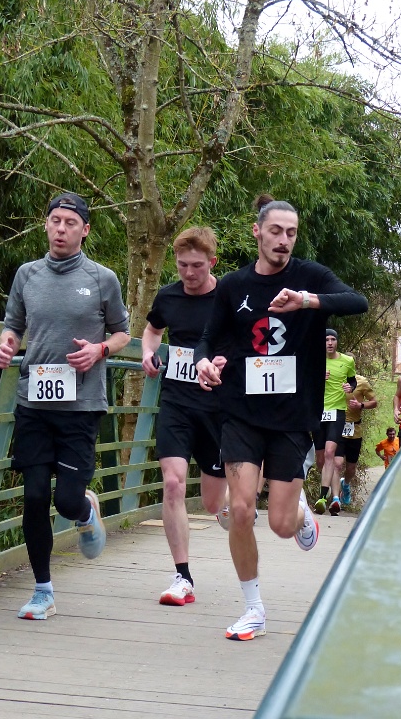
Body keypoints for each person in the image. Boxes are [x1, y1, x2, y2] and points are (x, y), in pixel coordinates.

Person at [194, 195, 368, 640]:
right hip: (241, 412)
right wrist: (204, 362)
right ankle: (253, 608)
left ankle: (301, 514)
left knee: (280, 524)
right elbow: (208, 338)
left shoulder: (310, 276)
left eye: (291, 233)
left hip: (292, 419)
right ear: (258, 231)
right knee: (240, 509)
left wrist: (307, 302)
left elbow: (358, 301)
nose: (284, 240)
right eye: (275, 231)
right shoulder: (233, 285)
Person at [0, 192, 130, 620]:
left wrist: (99, 350)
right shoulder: (27, 274)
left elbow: (123, 334)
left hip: (80, 406)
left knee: (66, 501)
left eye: (70, 223)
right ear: (46, 224)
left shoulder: (102, 278)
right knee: (35, 494)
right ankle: (43, 591)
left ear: (84, 230)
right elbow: (13, 325)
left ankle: (84, 509)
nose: (60, 228)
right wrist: (7, 344)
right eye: (55, 220)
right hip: (34, 401)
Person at [141, 226, 228, 607]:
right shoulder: (168, 296)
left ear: (212, 262)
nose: (189, 273)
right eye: (182, 265)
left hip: (217, 406)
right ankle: (182, 576)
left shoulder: (228, 297)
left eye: (196, 266)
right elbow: (152, 330)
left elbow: (249, 343)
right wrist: (148, 353)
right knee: (174, 483)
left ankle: (229, 501)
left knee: (211, 503)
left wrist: (223, 362)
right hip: (176, 401)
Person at [312, 330, 357, 516]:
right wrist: (316, 378)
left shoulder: (347, 361)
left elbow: (352, 380)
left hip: (337, 411)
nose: (330, 343)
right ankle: (331, 492)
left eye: (333, 339)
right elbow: (302, 383)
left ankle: (324, 497)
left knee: (330, 452)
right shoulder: (314, 360)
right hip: (318, 412)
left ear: (337, 342)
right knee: (321, 459)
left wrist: (349, 387)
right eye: (326, 340)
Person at [335, 373, 378, 507]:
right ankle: (335, 498)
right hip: (336, 427)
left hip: (354, 430)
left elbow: (374, 402)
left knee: (351, 468)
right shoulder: (334, 378)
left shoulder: (361, 381)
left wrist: (361, 405)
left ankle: (345, 484)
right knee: (337, 464)